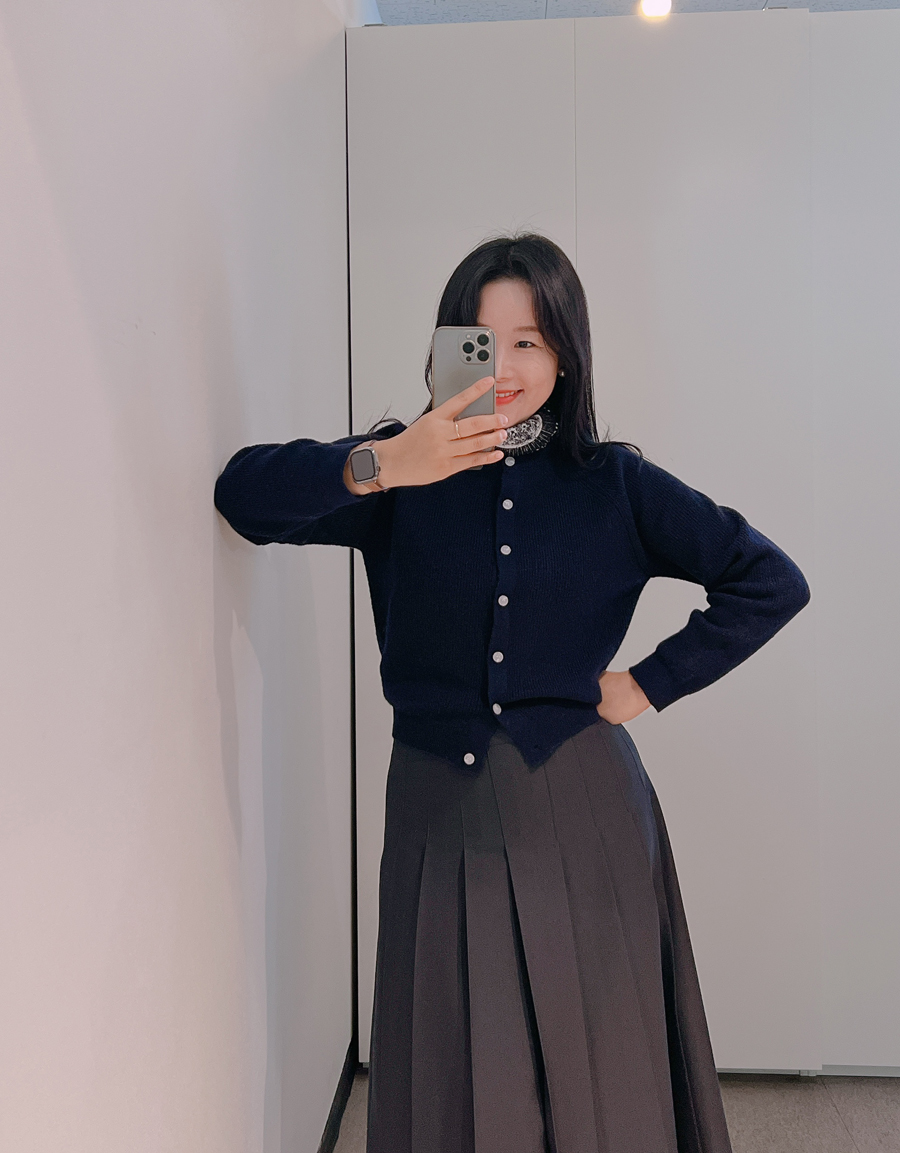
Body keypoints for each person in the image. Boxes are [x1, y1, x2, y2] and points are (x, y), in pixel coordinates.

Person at [214, 232, 810, 1153]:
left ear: (565, 353)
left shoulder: (616, 484)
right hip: (436, 809)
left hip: (581, 805)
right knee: (454, 1068)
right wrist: (383, 462)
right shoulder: (397, 468)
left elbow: (769, 579)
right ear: (448, 346)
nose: (505, 364)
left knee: (599, 1068)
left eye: (529, 340)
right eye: (481, 340)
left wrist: (647, 683)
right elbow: (243, 495)